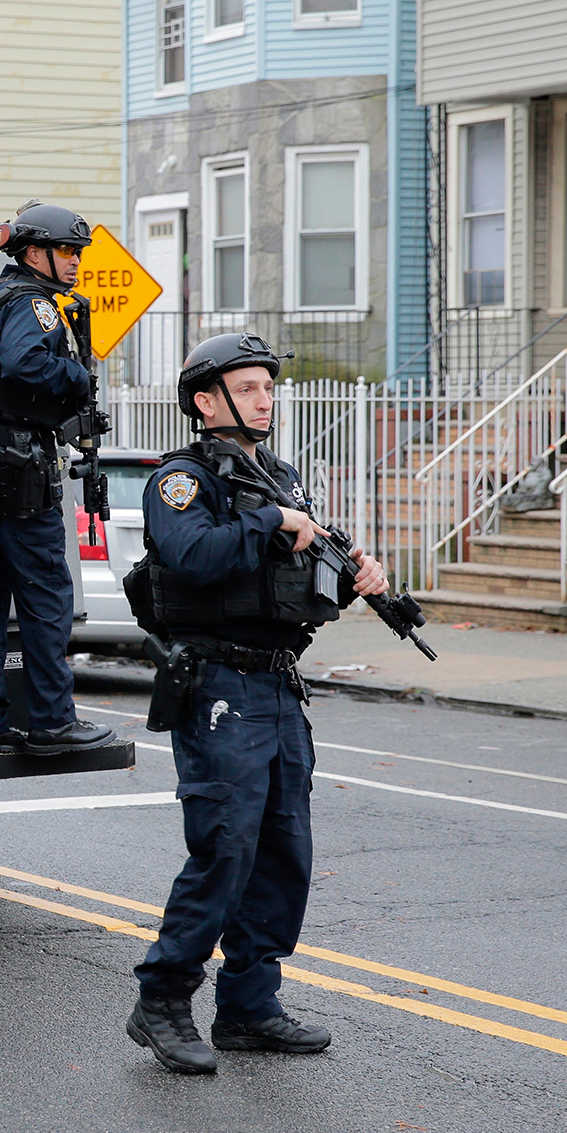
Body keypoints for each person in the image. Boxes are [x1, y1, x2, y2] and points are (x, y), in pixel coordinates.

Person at [124, 334, 389, 1075]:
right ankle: (163, 997)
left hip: (276, 683)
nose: (266, 398)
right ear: (206, 400)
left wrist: (358, 570)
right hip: (215, 684)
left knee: (282, 848)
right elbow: (193, 557)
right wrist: (269, 524)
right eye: (248, 386)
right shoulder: (181, 479)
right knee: (225, 845)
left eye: (269, 387)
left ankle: (248, 1005)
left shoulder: (279, 476)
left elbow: (305, 575)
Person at [0, 201, 115, 759]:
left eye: (78, 251)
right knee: (43, 593)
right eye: (67, 250)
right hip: (13, 460)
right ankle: (53, 723)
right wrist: (77, 378)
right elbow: (25, 364)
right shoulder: (36, 305)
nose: (76, 261)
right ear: (34, 252)